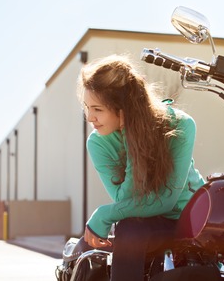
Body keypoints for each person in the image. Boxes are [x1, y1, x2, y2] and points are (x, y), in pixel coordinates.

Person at [77, 54, 204, 281]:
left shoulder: (181, 125)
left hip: (191, 221)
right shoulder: (97, 143)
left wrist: (104, 214)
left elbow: (167, 200)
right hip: (146, 222)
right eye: (87, 107)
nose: (90, 117)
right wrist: (130, 137)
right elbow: (124, 201)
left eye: (97, 109)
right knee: (97, 244)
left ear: (123, 107)